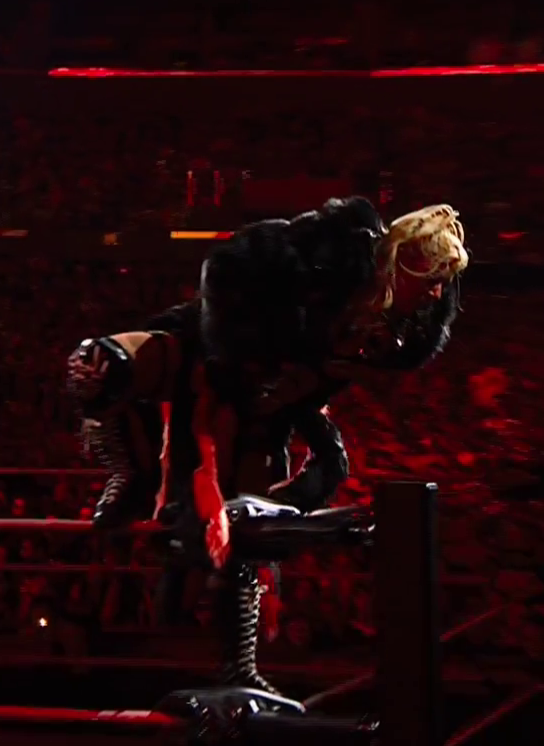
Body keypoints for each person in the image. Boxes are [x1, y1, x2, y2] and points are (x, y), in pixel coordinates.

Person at [66, 198, 469, 695]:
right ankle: (131, 472)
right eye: (431, 278)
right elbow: (213, 382)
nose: (436, 293)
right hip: (209, 362)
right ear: (403, 264)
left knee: (245, 523)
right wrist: (202, 478)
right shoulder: (314, 280)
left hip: (270, 403)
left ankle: (240, 665)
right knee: (96, 365)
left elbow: (318, 396)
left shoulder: (389, 330)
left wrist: (287, 494)